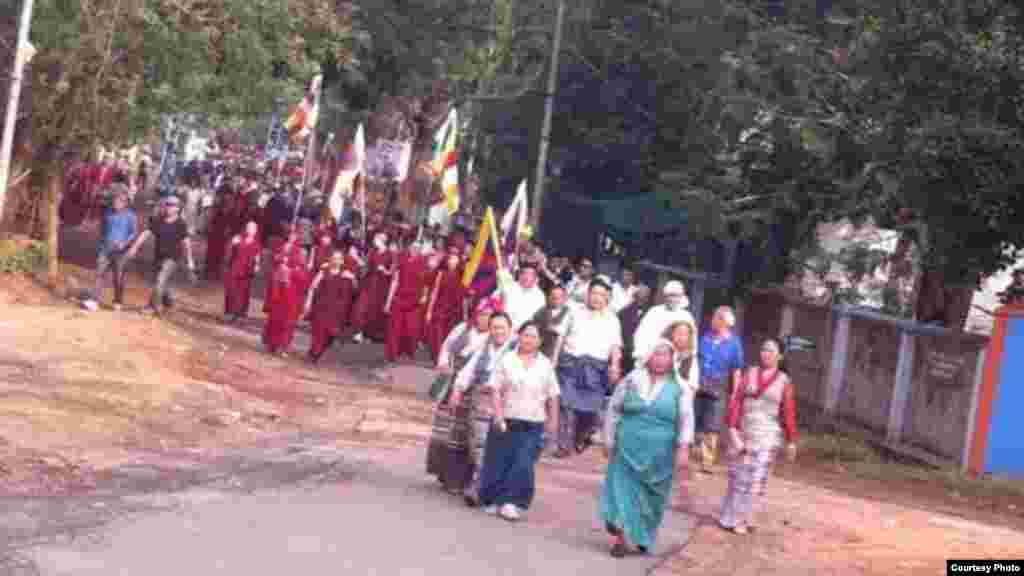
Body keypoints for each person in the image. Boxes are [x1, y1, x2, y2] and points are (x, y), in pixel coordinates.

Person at [599, 339, 693, 558]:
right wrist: (608, 439)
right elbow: (614, 409)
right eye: (656, 354)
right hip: (627, 447)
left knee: (651, 500)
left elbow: (686, 420)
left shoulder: (680, 388)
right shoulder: (631, 380)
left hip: (660, 454)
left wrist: (683, 448)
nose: (660, 359)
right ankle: (621, 538)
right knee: (623, 490)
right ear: (648, 356)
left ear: (672, 360)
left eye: (665, 355)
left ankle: (642, 535)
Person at [477, 321, 561, 521]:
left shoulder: (545, 364)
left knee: (523, 463)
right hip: (506, 418)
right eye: (525, 335)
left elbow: (553, 395)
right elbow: (496, 390)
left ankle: (512, 502)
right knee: (498, 461)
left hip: (533, 422)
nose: (529, 340)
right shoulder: (507, 360)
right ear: (519, 336)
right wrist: (498, 415)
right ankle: (494, 499)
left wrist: (553, 421)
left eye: (533, 336)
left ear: (540, 341)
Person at [719, 338, 798, 535]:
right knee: (739, 476)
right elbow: (736, 400)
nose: (766, 354)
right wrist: (732, 427)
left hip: (768, 435)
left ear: (780, 356)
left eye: (771, 351)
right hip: (745, 431)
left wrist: (791, 441)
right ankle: (731, 517)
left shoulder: (784, 381)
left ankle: (745, 520)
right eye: (764, 349)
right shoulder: (750, 373)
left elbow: (787, 412)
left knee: (757, 478)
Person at [426, 300, 496, 494]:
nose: (485, 318)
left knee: (465, 433)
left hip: (474, 388)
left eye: (489, 315)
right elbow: (447, 347)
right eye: (482, 314)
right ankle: (442, 473)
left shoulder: (493, 339)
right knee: (445, 429)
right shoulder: (463, 328)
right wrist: (443, 363)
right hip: (453, 381)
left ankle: (459, 479)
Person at [450, 312, 516, 506]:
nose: (498, 332)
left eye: (502, 327)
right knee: (478, 445)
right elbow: (467, 372)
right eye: (494, 327)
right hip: (480, 404)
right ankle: (479, 487)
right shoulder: (483, 349)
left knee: (500, 449)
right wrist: (457, 390)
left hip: (506, 406)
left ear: (509, 330)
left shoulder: (516, 350)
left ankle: (486, 487)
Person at [554, 278, 623, 458]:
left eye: (601, 294)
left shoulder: (612, 319)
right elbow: (560, 338)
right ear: (588, 294)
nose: (597, 298)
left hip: (596, 368)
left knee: (589, 409)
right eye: (594, 293)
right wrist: (554, 361)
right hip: (571, 363)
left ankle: (581, 435)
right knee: (566, 404)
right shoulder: (574, 312)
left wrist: (615, 366)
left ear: (607, 297)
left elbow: (616, 346)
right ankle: (563, 445)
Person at [124, 196, 197, 316]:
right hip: (159, 257)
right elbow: (146, 233)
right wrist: (134, 247)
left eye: (172, 205)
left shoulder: (181, 224)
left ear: (178, 208)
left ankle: (154, 307)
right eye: (167, 204)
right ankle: (168, 301)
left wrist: (190, 261)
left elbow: (186, 243)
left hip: (172, 258)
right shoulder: (158, 220)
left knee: (160, 281)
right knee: (162, 283)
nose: (169, 207)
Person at [696, 306, 745, 473]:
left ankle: (707, 460)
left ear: (724, 322)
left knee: (713, 424)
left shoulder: (734, 343)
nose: (712, 320)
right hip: (700, 383)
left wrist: (735, 393)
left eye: (716, 318)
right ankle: (694, 452)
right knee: (698, 420)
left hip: (718, 386)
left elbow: (736, 370)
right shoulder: (705, 338)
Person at [304, 250, 356, 363]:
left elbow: (355, 291)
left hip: (336, 312)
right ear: (330, 259)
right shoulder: (324, 271)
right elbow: (313, 287)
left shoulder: (346, 275)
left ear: (342, 261)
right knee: (317, 332)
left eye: (339, 259)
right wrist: (308, 303)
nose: (336, 260)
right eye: (334, 258)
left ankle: (317, 352)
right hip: (321, 307)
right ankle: (313, 354)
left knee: (330, 336)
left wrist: (352, 278)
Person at [384, 241, 430, 363]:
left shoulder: (424, 264)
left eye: (417, 248)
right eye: (413, 247)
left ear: (420, 251)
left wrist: (424, 296)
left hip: (415, 301)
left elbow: (426, 283)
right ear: (409, 248)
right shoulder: (402, 261)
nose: (414, 250)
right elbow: (395, 281)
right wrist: (388, 301)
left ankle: (408, 352)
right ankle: (392, 355)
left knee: (411, 328)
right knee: (394, 328)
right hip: (399, 298)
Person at [92, 187, 137, 311]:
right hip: (105, 249)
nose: (116, 203)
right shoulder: (107, 213)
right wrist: (101, 243)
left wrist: (125, 243)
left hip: (120, 252)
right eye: (115, 200)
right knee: (99, 274)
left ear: (126, 202)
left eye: (120, 201)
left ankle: (117, 301)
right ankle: (95, 300)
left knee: (118, 277)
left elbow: (133, 233)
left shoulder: (131, 216)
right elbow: (102, 229)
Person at [632, 281, 696, 363]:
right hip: (649, 359)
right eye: (670, 295)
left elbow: (692, 345)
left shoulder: (687, 317)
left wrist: (682, 356)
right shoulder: (654, 312)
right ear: (665, 296)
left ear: (681, 297)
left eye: (676, 296)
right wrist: (641, 356)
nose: (672, 299)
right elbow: (640, 335)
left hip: (674, 364)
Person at [425, 246, 467, 362]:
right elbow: (434, 292)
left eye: (455, 260)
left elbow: (462, 295)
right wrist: (429, 311)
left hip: (452, 311)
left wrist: (463, 314)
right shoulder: (441, 274)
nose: (452, 262)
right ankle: (438, 358)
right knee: (437, 334)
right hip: (439, 309)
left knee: (447, 336)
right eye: (450, 259)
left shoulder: (460, 277)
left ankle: (444, 357)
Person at [352, 230, 393, 343]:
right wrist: (357, 259)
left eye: (376, 238)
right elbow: (365, 267)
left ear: (383, 240)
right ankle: (358, 332)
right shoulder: (372, 251)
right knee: (361, 307)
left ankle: (368, 333)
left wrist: (384, 270)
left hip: (381, 286)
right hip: (369, 284)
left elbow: (392, 273)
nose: (374, 240)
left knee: (374, 310)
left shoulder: (390, 254)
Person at [223, 220, 262, 322]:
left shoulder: (256, 243)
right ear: (246, 228)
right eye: (249, 228)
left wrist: (257, 265)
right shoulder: (238, 238)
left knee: (244, 292)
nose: (251, 230)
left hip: (247, 270)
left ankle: (241, 314)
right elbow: (229, 250)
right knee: (231, 290)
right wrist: (232, 243)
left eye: (254, 228)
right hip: (235, 267)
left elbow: (257, 256)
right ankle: (229, 312)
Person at [500, 264, 547, 330]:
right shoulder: (507, 289)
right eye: (524, 273)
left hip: (528, 332)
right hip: (506, 329)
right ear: (519, 275)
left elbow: (540, 318)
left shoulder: (540, 295)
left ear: (536, 278)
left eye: (531, 274)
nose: (527, 277)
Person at [618, 284, 652, 375]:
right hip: (623, 353)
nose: (642, 299)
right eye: (640, 296)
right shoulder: (624, 311)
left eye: (645, 297)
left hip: (639, 356)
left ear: (648, 298)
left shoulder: (651, 314)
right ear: (636, 296)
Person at [530, 285, 572, 358]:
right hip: (541, 350)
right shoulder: (541, 311)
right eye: (553, 296)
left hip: (560, 352)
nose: (556, 298)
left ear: (564, 298)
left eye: (559, 296)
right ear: (548, 297)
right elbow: (533, 327)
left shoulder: (570, 313)